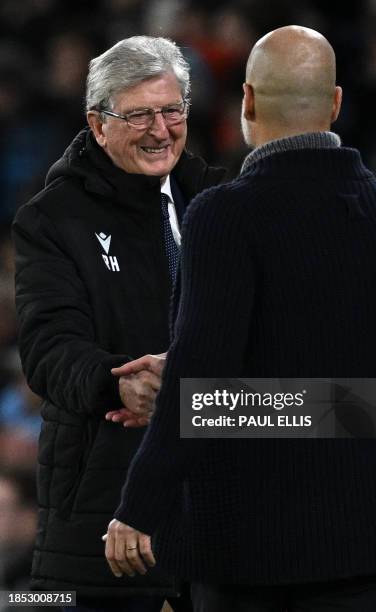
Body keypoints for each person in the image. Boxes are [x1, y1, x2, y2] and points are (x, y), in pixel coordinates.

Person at [104, 26, 376, 612]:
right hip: (366, 541)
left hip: (252, 548)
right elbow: (344, 379)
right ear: (336, 103)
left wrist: (139, 507)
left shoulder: (227, 214)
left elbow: (206, 380)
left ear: (245, 100)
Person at [12, 35, 225, 611]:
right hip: (99, 520)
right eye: (138, 115)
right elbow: (48, 347)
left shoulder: (219, 201)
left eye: (172, 110)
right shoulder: (52, 218)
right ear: (98, 123)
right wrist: (119, 381)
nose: (161, 130)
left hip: (215, 512)